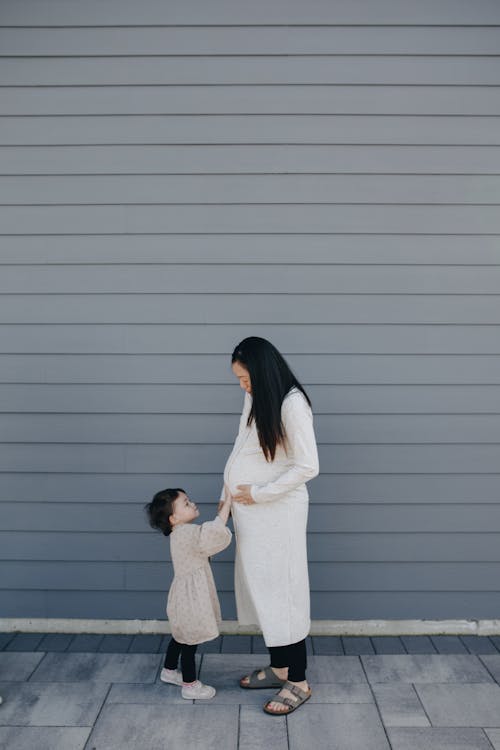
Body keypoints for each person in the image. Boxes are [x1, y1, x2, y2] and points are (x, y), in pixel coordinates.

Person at [221, 336, 319, 716]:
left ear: (262, 371)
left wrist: (259, 493)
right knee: (264, 591)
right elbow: (241, 446)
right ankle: (279, 668)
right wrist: (227, 494)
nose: (243, 386)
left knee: (285, 592)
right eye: (239, 380)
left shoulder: (292, 404)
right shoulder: (257, 397)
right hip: (252, 514)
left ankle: (299, 680)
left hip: (278, 514)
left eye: (246, 379)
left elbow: (308, 466)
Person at [145, 487, 232, 699]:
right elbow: (212, 534)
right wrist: (227, 504)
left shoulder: (180, 533)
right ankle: (190, 686)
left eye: (189, 500)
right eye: (186, 503)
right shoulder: (187, 532)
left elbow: (205, 539)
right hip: (191, 597)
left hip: (183, 595)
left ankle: (169, 670)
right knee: (190, 642)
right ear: (174, 518)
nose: (192, 503)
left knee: (181, 636)